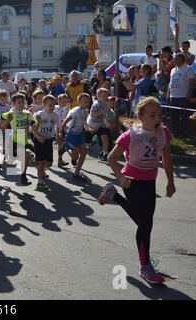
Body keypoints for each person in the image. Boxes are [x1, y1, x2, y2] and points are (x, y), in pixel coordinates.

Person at [99, 97, 175, 285]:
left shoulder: (163, 133)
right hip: (131, 182)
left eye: (159, 114)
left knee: (144, 222)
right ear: (141, 117)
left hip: (150, 182)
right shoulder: (130, 136)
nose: (158, 118)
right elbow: (111, 158)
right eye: (152, 115)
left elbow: (167, 158)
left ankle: (112, 195)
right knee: (145, 224)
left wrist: (170, 182)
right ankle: (145, 266)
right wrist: (121, 178)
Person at [0, 93, 36, 186]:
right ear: (13, 104)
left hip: (23, 140)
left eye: (22, 103)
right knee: (26, 156)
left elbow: (33, 122)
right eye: (18, 103)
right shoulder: (10, 114)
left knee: (11, 160)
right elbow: (0, 118)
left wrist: (32, 126)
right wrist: (2, 125)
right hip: (13, 141)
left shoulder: (27, 114)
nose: (21, 105)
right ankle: (23, 178)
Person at [31, 95, 60, 191]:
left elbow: (57, 126)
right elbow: (33, 129)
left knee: (49, 163)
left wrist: (58, 136)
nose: (52, 107)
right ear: (43, 105)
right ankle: (40, 181)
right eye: (50, 105)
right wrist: (38, 137)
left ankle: (41, 169)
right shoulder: (38, 115)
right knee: (41, 162)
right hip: (39, 140)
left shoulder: (55, 115)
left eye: (53, 105)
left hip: (49, 140)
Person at [61, 93, 92, 181]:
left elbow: (84, 123)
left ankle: (76, 173)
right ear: (79, 102)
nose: (87, 103)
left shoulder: (86, 112)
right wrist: (60, 132)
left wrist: (89, 129)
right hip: (71, 135)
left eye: (88, 102)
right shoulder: (76, 111)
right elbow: (65, 121)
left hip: (80, 135)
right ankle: (67, 148)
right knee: (75, 157)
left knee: (84, 153)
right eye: (85, 102)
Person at [167, 53, 195, 138]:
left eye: (177, 59)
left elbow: (192, 82)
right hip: (173, 97)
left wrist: (189, 93)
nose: (174, 60)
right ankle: (175, 133)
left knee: (183, 117)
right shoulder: (173, 70)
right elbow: (170, 83)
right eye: (174, 59)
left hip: (183, 96)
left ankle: (184, 133)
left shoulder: (188, 69)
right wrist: (168, 94)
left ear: (182, 60)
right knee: (174, 116)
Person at [87, 88, 112, 161]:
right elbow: (92, 114)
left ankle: (104, 153)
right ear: (98, 97)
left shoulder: (104, 104)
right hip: (91, 126)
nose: (105, 98)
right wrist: (104, 111)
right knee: (86, 142)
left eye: (106, 96)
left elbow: (103, 115)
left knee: (105, 137)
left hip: (99, 126)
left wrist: (106, 122)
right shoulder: (96, 104)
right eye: (103, 96)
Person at [54, 94, 70, 168]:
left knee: (62, 144)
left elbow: (64, 120)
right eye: (63, 101)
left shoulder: (65, 109)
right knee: (60, 143)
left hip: (62, 128)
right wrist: (57, 134)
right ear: (58, 101)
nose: (65, 103)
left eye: (66, 102)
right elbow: (57, 123)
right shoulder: (56, 109)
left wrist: (66, 130)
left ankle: (60, 160)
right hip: (55, 129)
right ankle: (59, 160)